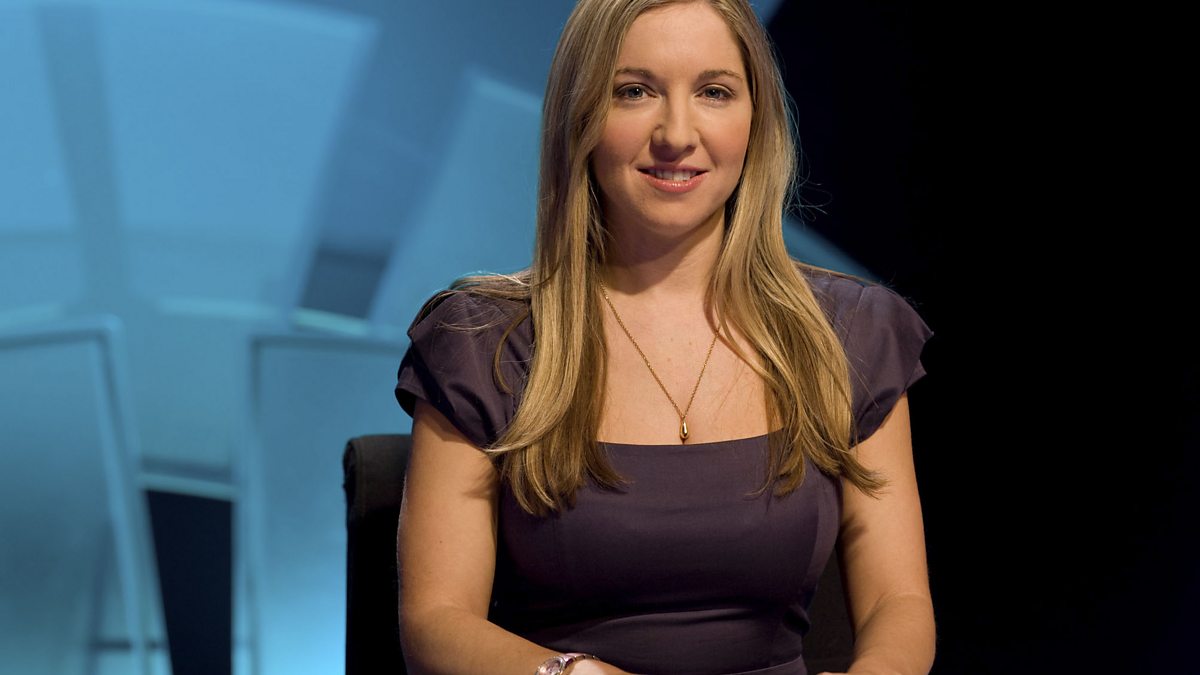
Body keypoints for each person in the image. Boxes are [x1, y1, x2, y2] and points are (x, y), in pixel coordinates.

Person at [393, 0, 935, 673]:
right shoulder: (480, 341)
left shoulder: (850, 332)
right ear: (580, 116)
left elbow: (898, 601)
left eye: (714, 92)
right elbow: (436, 622)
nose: (677, 134)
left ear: (756, 119)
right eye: (634, 91)